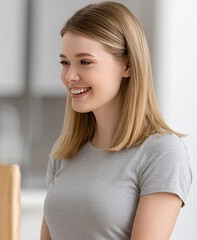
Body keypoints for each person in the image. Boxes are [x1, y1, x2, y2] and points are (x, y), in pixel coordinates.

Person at [40, 2, 192, 240]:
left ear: (128, 65)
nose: (70, 76)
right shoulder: (63, 154)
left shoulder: (161, 153)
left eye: (85, 62)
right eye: (65, 62)